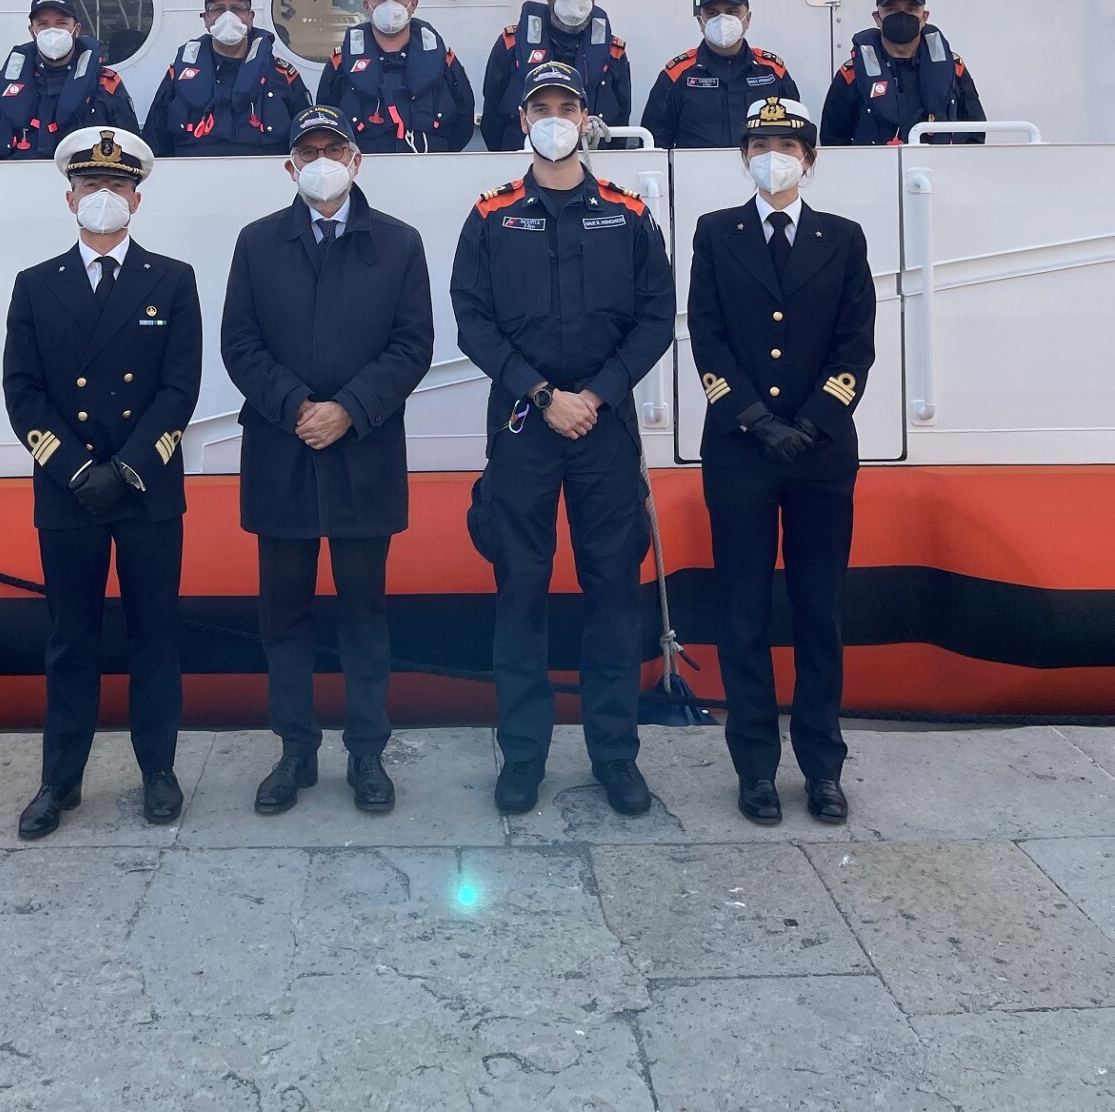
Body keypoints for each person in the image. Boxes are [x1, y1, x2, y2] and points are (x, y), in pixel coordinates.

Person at [451, 61, 676, 817]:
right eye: (540, 106)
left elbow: (655, 316)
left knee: (614, 594)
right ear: (521, 120)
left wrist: (599, 394)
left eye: (566, 106)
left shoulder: (627, 211)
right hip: (524, 425)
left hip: (604, 429)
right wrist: (544, 395)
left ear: (587, 119)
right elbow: (472, 321)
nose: (554, 117)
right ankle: (523, 755)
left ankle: (615, 755)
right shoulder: (489, 215)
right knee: (520, 592)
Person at [220, 103, 434, 815]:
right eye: (306, 151)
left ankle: (368, 755)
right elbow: (239, 343)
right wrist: (293, 407)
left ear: (355, 161)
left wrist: (348, 408)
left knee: (365, 616)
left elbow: (412, 346)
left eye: (332, 149)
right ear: (289, 166)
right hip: (281, 454)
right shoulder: (256, 243)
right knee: (282, 617)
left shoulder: (400, 245)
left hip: (362, 453)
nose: (320, 161)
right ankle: (295, 752)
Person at [3, 125, 202, 839]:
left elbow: (180, 390)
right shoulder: (34, 286)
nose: (104, 198)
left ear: (136, 201)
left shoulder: (172, 281)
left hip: (146, 491)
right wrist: (77, 469)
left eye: (117, 187)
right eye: (92, 186)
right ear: (70, 198)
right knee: (70, 640)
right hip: (69, 492)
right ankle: (60, 781)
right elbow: (22, 393)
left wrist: (129, 469)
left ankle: (159, 771)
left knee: (155, 636)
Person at [687, 95, 876, 828]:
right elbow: (707, 337)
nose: (775, 156)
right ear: (743, 156)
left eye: (789, 145)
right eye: (761, 143)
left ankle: (823, 768)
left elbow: (855, 345)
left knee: (819, 614)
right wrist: (757, 419)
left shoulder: (844, 237)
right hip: (740, 452)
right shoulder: (716, 232)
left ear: (812, 159)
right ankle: (755, 769)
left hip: (822, 456)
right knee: (742, 615)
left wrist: (816, 419)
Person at [316, 0, 475, 153]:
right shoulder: (341, 63)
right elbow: (326, 121)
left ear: (413, 4)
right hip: (364, 168)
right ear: (367, 5)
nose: (389, 5)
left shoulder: (443, 60)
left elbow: (464, 119)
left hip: (431, 166)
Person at [143, 0, 310, 157]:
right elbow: (154, 144)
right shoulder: (178, 76)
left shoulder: (283, 76)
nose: (227, 17)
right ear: (206, 18)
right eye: (218, 9)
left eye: (236, 9)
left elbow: (307, 142)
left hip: (267, 177)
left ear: (250, 16)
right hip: (191, 179)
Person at [480, 0, 631, 151]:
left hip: (592, 153)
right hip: (521, 153)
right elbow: (492, 109)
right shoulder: (511, 44)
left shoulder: (613, 52)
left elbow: (622, 113)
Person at [820, 0, 985, 146]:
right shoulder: (852, 74)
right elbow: (833, 139)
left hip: (938, 168)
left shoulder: (954, 70)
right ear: (877, 17)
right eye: (891, 9)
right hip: (873, 169)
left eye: (911, 9)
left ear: (924, 17)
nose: (902, 16)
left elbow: (974, 132)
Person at [641, 0, 800, 147]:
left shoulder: (772, 71)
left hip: (758, 170)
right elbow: (655, 143)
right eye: (712, 13)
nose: (722, 20)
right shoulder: (676, 74)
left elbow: (796, 133)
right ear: (700, 21)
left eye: (732, 12)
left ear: (747, 19)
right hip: (695, 172)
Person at [0, 0, 137, 161]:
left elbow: (131, 148)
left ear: (76, 30)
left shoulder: (107, 83)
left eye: (61, 23)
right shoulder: (5, 83)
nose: (52, 31)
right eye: (43, 24)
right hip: (19, 178)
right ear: (32, 31)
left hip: (84, 182)